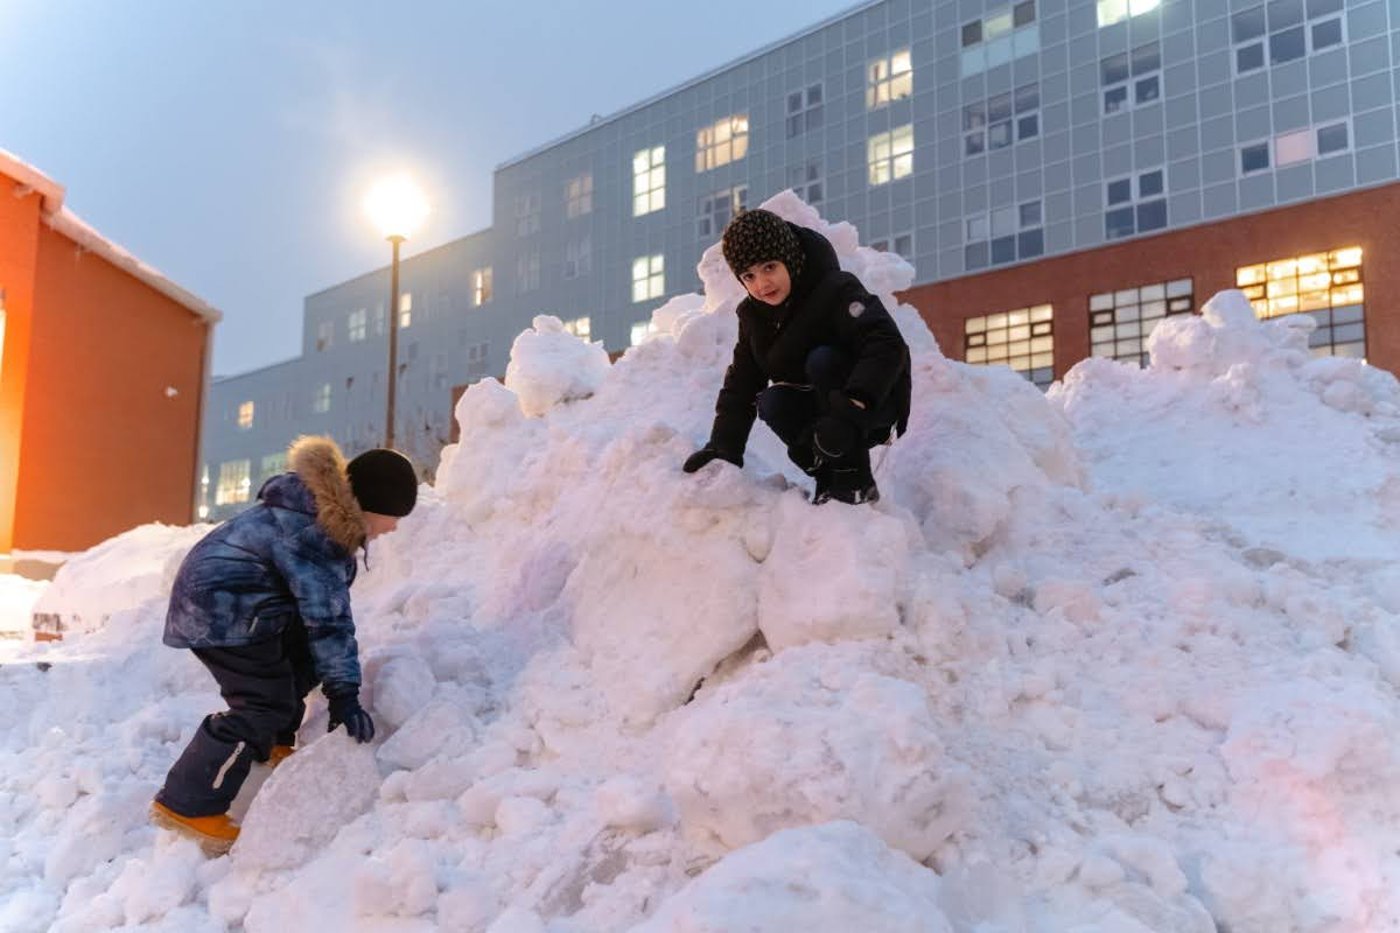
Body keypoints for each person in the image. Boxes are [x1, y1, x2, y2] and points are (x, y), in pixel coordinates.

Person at [150, 436, 418, 854]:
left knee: (300, 660)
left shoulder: (316, 515)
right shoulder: (317, 535)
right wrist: (344, 693)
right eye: (392, 515)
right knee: (262, 703)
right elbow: (328, 621)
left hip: (241, 602)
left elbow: (318, 625)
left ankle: (272, 741)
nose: (395, 527)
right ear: (370, 504)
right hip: (222, 610)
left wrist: (334, 682)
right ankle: (189, 803)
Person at [683, 208, 911, 504]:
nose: (762, 284)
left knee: (822, 360)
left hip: (873, 402)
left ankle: (855, 481)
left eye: (769, 267)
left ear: (788, 258)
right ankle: (825, 476)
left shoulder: (837, 289)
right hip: (821, 409)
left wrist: (852, 407)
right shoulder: (754, 317)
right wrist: (723, 445)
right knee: (772, 401)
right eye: (749, 276)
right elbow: (742, 382)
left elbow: (886, 343)